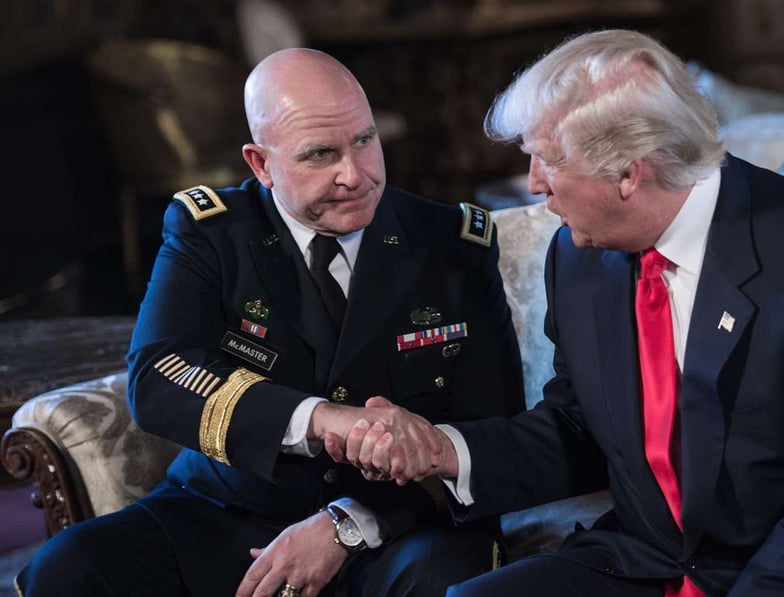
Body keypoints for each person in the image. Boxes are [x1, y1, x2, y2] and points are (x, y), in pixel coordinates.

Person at [333, 30, 784, 596]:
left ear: (630, 173)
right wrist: (445, 449)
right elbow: (578, 428)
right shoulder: (577, 256)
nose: (534, 186)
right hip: (655, 561)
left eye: (545, 160)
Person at [17, 48, 524, 597]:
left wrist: (348, 525)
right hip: (231, 512)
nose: (354, 175)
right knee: (72, 566)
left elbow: (493, 431)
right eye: (320, 154)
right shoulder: (212, 234)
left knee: (447, 575)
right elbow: (158, 375)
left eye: (364, 141)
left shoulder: (451, 245)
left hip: (393, 523)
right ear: (261, 164)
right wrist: (323, 419)